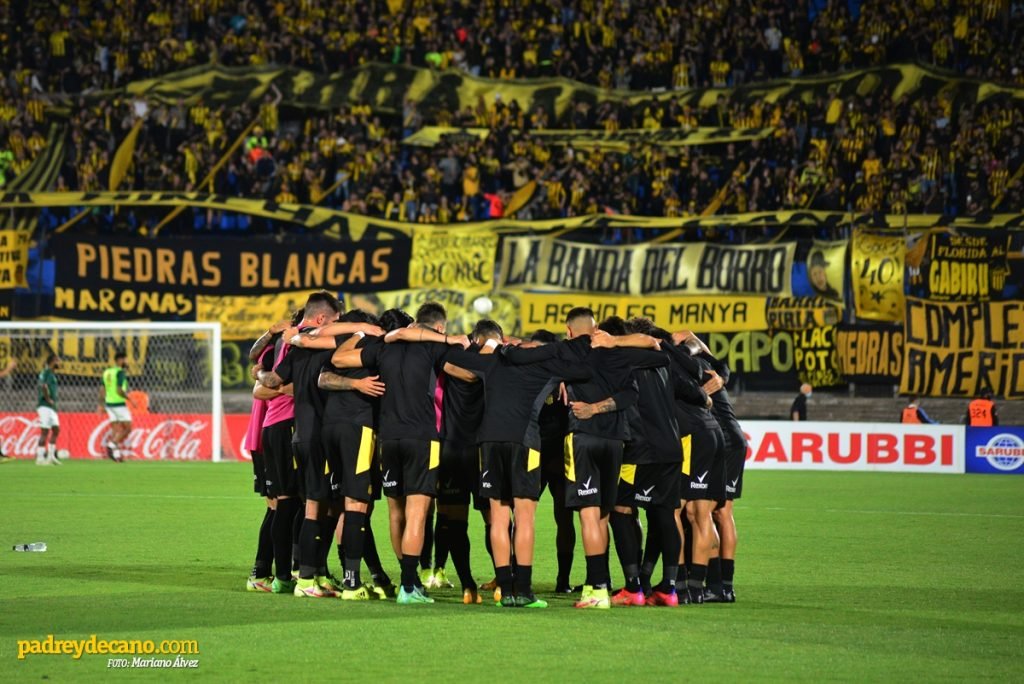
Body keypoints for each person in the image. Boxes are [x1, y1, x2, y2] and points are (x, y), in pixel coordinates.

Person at [330, 302, 468, 604]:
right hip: (422, 438)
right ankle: (408, 585)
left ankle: (411, 581)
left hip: (388, 440)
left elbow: (339, 359)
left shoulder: (381, 349)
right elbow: (467, 372)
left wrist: (360, 332)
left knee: (397, 513)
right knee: (418, 514)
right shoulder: (434, 349)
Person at [257, 291, 343, 598]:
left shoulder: (295, 348)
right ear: (322, 319)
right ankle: (305, 578)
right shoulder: (328, 345)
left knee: (305, 506)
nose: (338, 326)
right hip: (318, 436)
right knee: (314, 508)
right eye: (335, 321)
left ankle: (302, 574)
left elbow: (271, 382)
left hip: (299, 435)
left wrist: (262, 374)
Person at [100, 351, 136, 462]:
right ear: (120, 360)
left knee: (115, 430)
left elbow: (102, 389)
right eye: (125, 359)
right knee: (128, 428)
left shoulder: (107, 372)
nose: (126, 362)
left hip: (109, 404)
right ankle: (112, 444)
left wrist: (102, 404)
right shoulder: (120, 373)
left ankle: (116, 455)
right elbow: (119, 390)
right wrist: (130, 399)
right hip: (119, 404)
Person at [36, 354, 62, 466]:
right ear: (52, 361)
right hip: (44, 406)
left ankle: (51, 457)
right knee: (45, 432)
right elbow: (43, 386)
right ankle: (40, 458)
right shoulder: (46, 372)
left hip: (51, 408)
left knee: (56, 430)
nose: (60, 363)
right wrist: (48, 398)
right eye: (58, 361)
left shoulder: (52, 374)